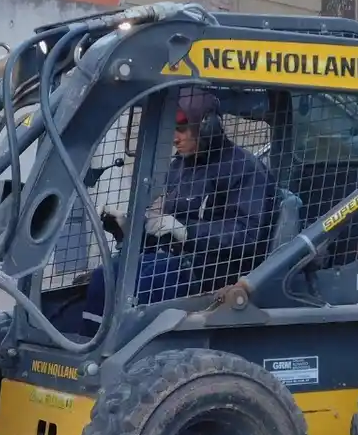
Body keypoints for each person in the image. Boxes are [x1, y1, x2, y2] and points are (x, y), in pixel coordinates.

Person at [78, 85, 276, 330]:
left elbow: (249, 235)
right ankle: (92, 346)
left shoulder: (245, 168)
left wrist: (187, 232)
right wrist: (129, 229)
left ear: (207, 126)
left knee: (131, 285)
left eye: (182, 129)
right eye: (173, 128)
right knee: (103, 277)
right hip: (175, 262)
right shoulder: (180, 166)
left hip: (212, 272)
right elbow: (165, 227)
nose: (175, 137)